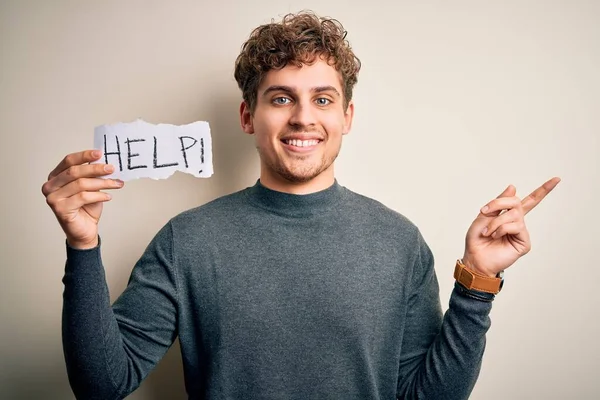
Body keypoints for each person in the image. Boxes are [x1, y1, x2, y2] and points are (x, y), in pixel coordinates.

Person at [42, 11, 560, 400]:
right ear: (249, 115)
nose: (303, 118)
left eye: (323, 98)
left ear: (347, 116)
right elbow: (103, 384)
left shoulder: (399, 242)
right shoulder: (187, 241)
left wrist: (476, 281)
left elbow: (423, 396)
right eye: (282, 97)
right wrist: (82, 246)